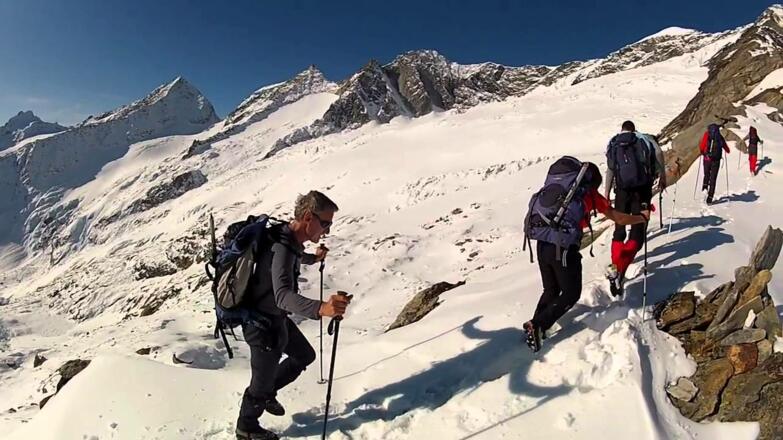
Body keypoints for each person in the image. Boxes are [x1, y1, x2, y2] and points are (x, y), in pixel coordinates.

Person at [236, 191, 351, 440]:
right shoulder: (283, 247)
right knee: (259, 385)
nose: (327, 231)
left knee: (304, 355)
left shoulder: (287, 237)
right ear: (308, 217)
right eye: (325, 223)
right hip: (261, 325)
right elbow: (283, 296)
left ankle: (267, 393)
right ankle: (246, 428)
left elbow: (294, 256)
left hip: (275, 319)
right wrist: (321, 308)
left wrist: (313, 258)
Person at [523, 157, 650, 352]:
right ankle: (538, 325)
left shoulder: (559, 192)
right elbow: (619, 218)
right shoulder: (588, 195)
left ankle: (535, 327)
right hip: (562, 248)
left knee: (551, 289)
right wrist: (641, 218)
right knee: (571, 293)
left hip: (542, 242)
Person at [603, 121, 662, 297]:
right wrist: (662, 177)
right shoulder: (642, 139)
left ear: (622, 129)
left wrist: (606, 192)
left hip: (621, 191)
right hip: (642, 191)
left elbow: (610, 169)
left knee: (619, 229)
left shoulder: (614, 142)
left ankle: (615, 265)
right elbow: (658, 153)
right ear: (633, 129)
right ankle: (620, 270)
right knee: (637, 231)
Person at [699, 123, 730, 203]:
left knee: (706, 174)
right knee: (713, 179)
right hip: (716, 160)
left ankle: (704, 188)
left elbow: (702, 146)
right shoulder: (719, 136)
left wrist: (702, 152)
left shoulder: (707, 134)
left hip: (707, 159)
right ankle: (710, 198)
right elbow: (727, 150)